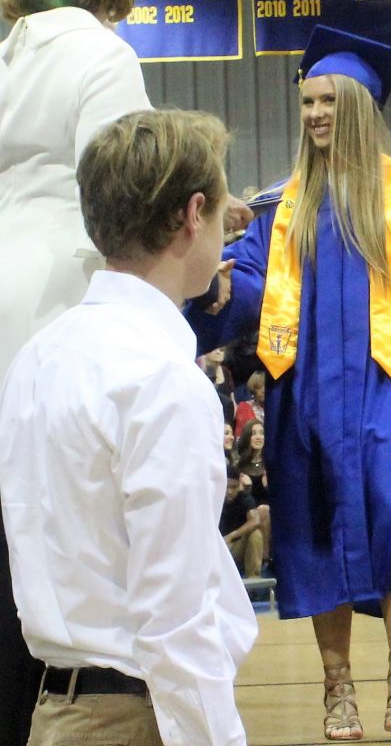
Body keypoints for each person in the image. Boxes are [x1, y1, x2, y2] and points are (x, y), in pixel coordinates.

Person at [186, 24, 391, 740]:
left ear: (357, 106)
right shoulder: (281, 205)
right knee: (314, 528)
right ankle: (338, 686)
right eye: (307, 102)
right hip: (305, 392)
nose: (315, 113)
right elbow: (251, 287)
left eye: (328, 101)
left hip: (390, 385)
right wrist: (217, 293)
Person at [0, 109, 257, 746]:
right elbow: (176, 620)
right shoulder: (162, 380)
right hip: (135, 716)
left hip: (55, 709)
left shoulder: (37, 357)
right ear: (193, 214)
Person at [0, 0, 153, 742]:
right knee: (58, 561)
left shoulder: (10, 55)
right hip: (63, 307)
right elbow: (121, 195)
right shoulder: (103, 54)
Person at [237, 419, 271, 567]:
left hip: (270, 513)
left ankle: (265, 559)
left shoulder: (271, 464)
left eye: (262, 433)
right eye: (254, 433)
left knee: (264, 510)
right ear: (247, 437)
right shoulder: (239, 466)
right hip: (246, 514)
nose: (258, 437)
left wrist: (269, 487)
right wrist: (245, 489)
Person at [220, 466, 263, 579]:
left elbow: (256, 520)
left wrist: (231, 536)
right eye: (226, 487)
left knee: (256, 534)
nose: (229, 491)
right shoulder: (212, 499)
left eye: (234, 487)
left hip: (236, 547)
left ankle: (254, 581)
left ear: (239, 485)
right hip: (216, 550)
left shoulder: (245, 499)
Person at [234, 370, 265, 436]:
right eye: (259, 387)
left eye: (266, 387)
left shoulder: (275, 409)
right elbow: (240, 436)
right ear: (253, 389)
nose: (264, 391)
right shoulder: (244, 407)